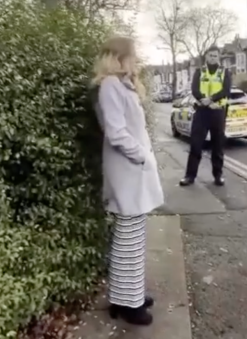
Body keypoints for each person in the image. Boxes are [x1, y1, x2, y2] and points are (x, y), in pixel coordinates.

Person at [92, 36, 165, 326]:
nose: (136, 61)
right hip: (128, 168)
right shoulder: (110, 85)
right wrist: (143, 157)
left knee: (132, 238)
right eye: (132, 56)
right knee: (128, 240)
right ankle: (126, 303)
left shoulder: (121, 84)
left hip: (132, 169)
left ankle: (127, 295)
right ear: (119, 57)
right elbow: (116, 132)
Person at [180, 45, 233, 187]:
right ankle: (189, 176)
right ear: (206, 57)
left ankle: (218, 176)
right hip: (202, 112)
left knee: (218, 146)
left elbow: (226, 90)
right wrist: (204, 99)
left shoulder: (224, 72)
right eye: (210, 55)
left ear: (219, 57)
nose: (213, 58)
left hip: (217, 112)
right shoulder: (199, 71)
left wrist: (211, 99)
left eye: (215, 56)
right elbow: (194, 89)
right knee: (196, 145)